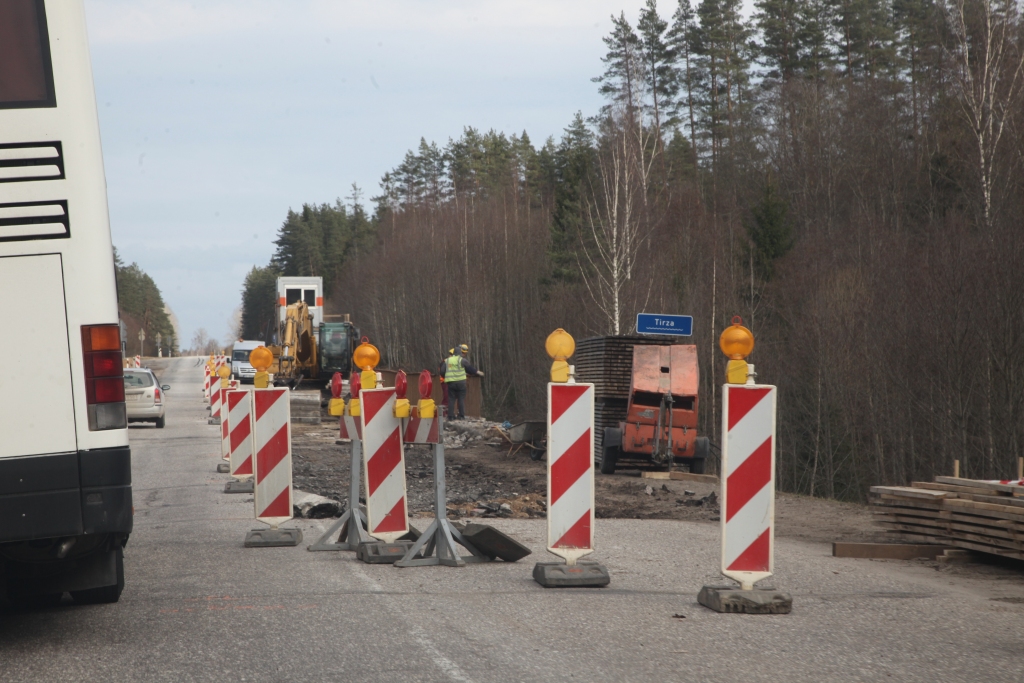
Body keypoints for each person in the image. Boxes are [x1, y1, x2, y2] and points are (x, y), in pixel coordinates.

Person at [443, 343, 483, 420]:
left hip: (451, 383)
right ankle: (461, 416)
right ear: (460, 353)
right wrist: (477, 372)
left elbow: (442, 371)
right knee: (461, 399)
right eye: (463, 353)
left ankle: (450, 416)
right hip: (461, 382)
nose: (463, 354)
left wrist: (447, 376)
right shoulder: (462, 360)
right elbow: (469, 369)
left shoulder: (447, 360)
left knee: (451, 399)